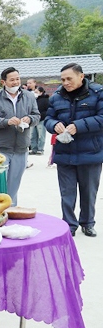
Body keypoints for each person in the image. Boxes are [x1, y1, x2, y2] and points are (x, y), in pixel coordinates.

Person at [43, 63, 103, 237]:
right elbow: (48, 119)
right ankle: (69, 224)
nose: (66, 83)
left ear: (81, 76)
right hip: (65, 153)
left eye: (69, 78)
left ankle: (88, 222)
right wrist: (55, 125)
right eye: (63, 79)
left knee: (89, 191)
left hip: (90, 152)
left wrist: (78, 126)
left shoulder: (98, 93)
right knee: (67, 192)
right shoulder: (56, 97)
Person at [0, 66, 40, 205]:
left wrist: (29, 119)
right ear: (3, 82)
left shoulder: (29, 96)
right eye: (12, 80)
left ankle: (10, 211)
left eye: (17, 79)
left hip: (21, 148)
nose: (15, 82)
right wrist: (6, 122)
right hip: (0, 149)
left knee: (14, 185)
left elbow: (37, 115)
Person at [30, 85, 49, 155]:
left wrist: (42, 115)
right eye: (34, 92)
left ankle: (40, 149)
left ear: (41, 92)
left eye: (36, 92)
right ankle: (33, 149)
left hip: (41, 120)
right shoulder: (33, 100)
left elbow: (48, 110)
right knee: (32, 135)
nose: (34, 93)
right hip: (33, 120)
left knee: (41, 135)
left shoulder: (45, 100)